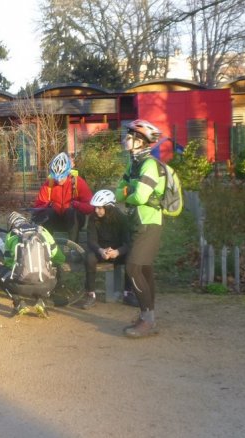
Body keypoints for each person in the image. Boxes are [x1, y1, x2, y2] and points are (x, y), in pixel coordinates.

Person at [116, 119, 167, 338]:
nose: (126, 140)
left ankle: (147, 320)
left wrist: (128, 192)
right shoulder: (133, 164)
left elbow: (139, 196)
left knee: (133, 268)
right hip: (139, 222)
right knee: (145, 269)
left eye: (130, 136)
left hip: (150, 222)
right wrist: (128, 192)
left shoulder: (149, 165)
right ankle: (149, 317)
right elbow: (118, 191)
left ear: (141, 141)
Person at [0, 211, 64, 317]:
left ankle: (18, 303)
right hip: (47, 284)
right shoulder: (43, 231)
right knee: (48, 270)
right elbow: (59, 257)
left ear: (11, 225)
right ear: (26, 221)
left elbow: (9, 263)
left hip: (20, 286)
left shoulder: (11, 235)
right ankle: (41, 301)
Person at [76, 189, 133, 310]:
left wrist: (117, 252)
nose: (96, 210)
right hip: (101, 251)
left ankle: (128, 293)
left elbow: (128, 243)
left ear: (109, 207)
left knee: (131, 257)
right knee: (90, 258)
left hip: (118, 252)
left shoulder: (121, 219)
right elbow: (91, 240)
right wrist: (101, 250)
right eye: (95, 207)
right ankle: (90, 294)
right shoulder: (93, 217)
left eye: (100, 208)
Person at [33, 152, 94, 243]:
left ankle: (73, 248)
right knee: (48, 212)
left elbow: (90, 207)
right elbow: (38, 206)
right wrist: (47, 205)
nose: (59, 180)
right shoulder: (49, 184)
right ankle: (47, 244)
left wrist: (77, 205)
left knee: (71, 212)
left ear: (68, 172)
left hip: (74, 221)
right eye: (56, 178)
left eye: (62, 177)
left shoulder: (78, 182)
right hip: (56, 219)